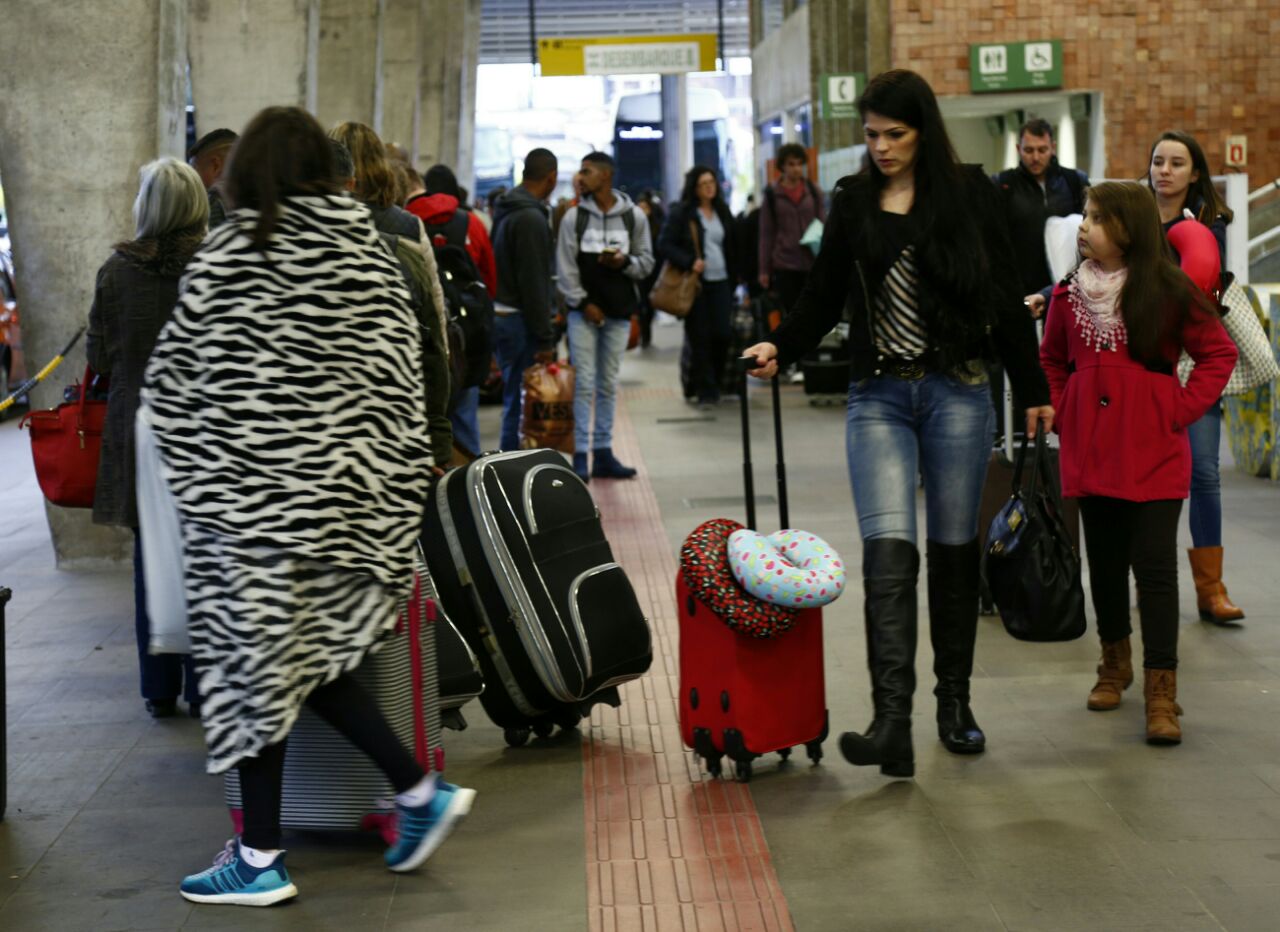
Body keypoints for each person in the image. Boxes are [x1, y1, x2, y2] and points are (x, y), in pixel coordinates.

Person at [145, 106, 474, 906]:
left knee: (258, 671)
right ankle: (413, 792)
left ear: (250, 172)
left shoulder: (236, 252)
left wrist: (200, 480)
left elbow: (177, 382)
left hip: (255, 509)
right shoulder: (368, 250)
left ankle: (261, 858)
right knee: (304, 667)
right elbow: (406, 378)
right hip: (350, 515)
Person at [742, 70, 1053, 777]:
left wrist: (1032, 384)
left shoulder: (973, 195)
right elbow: (822, 298)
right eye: (872, 134)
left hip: (959, 391)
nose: (881, 147)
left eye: (896, 135)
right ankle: (890, 721)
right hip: (877, 395)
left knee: (950, 551)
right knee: (887, 556)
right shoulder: (852, 201)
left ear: (923, 131)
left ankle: (953, 706)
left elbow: (1005, 298)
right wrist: (780, 345)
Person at [1039, 182, 1235, 745]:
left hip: (1153, 451)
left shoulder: (1168, 288)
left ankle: (1161, 690)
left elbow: (1218, 353)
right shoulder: (1068, 292)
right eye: (1086, 216)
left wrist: (1179, 407)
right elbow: (1052, 357)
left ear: (1129, 227)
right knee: (1102, 564)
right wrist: (1067, 406)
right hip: (1092, 448)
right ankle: (1114, 663)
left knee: (1153, 570)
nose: (1085, 226)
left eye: (1098, 218)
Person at [86, 157, 207, 720]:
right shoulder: (215, 265)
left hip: (139, 427)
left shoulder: (116, 272)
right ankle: (205, 686)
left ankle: (156, 687)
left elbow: (100, 358)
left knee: (150, 558)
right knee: (207, 554)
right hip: (206, 426)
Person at [1147, 130, 1246, 625]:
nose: (1164, 170)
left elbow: (1206, 283)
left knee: (1203, 471)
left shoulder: (1213, 224)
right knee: (1140, 479)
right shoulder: (1131, 218)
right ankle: (1147, 580)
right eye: (1158, 161)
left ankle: (1211, 589)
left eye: (1176, 163)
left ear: (1196, 173)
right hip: (1140, 361)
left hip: (1192, 360)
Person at [556, 153, 654, 482]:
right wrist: (583, 303)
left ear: (606, 175)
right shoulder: (574, 218)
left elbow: (646, 262)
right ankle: (580, 454)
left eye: (587, 171)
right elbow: (565, 268)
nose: (580, 177)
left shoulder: (633, 217)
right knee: (584, 382)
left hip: (619, 312)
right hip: (583, 314)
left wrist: (623, 263)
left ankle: (603, 452)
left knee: (608, 384)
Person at [407, 164, 498, 456]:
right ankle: (469, 487)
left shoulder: (407, 221)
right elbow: (489, 281)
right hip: (466, 334)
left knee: (427, 423)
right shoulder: (472, 223)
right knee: (465, 418)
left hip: (424, 337)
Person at [491, 148, 559, 451]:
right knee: (520, 407)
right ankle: (510, 474)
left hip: (505, 316)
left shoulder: (508, 209)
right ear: (552, 178)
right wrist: (545, 339)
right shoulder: (530, 218)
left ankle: (510, 468)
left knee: (515, 401)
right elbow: (534, 283)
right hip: (521, 323)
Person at [659, 166, 739, 407]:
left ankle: (713, 381)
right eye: (704, 183)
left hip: (722, 281)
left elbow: (734, 245)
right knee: (700, 338)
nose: (709, 187)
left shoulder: (722, 212)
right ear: (695, 188)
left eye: (712, 182)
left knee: (723, 335)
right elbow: (664, 244)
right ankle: (706, 390)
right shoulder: (683, 213)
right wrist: (689, 262)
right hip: (696, 286)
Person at [992, 119, 1090, 298]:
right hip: (1017, 287)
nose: (1035, 157)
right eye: (1028, 150)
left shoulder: (1075, 181)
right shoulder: (1002, 184)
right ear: (1018, 149)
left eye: (1042, 150)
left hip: (1067, 285)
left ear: (1053, 147)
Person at [757, 142, 824, 317]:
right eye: (791, 164)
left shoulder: (813, 190)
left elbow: (823, 224)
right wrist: (764, 269)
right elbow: (766, 234)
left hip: (812, 260)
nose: (796, 169)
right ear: (782, 167)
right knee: (791, 313)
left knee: (812, 312)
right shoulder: (773, 195)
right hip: (785, 263)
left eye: (799, 163)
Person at [186, 128, 238, 229]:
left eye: (195, 172)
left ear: (215, 165)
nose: (193, 182)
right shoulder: (267, 200)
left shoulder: (214, 204)